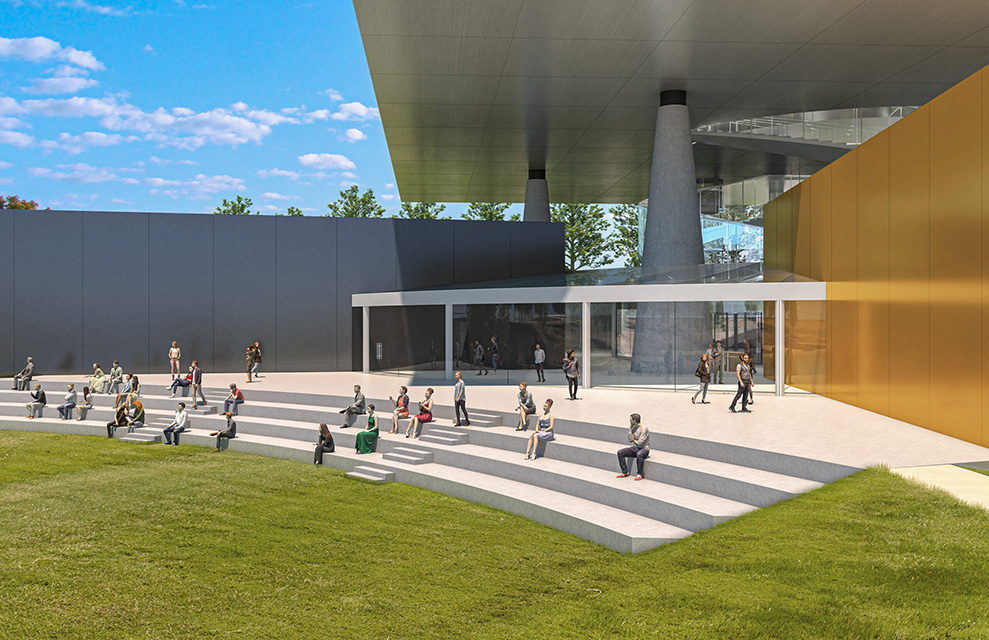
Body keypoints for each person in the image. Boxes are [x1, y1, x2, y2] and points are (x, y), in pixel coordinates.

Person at [617, 413, 649, 481]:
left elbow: (640, 443)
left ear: (634, 421)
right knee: (620, 452)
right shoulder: (634, 428)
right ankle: (624, 472)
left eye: (631, 420)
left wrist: (633, 440)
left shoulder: (644, 429)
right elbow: (630, 440)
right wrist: (630, 429)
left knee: (639, 454)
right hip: (635, 448)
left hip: (644, 449)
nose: (630, 422)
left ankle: (639, 474)